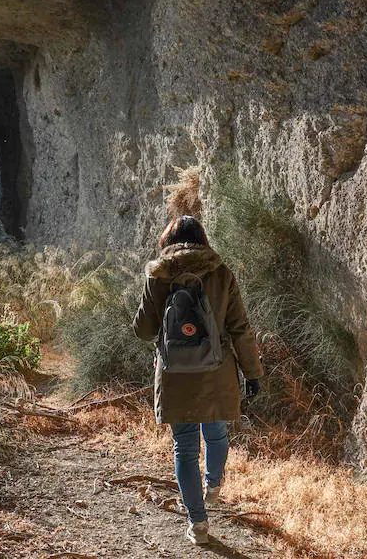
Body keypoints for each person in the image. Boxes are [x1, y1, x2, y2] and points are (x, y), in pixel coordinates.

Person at [132, 215, 263, 546]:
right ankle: (213, 486)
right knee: (216, 431)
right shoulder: (221, 272)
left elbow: (144, 331)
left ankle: (198, 525)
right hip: (216, 370)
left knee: (185, 447)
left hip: (176, 374)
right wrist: (253, 372)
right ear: (202, 238)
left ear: (168, 241)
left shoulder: (159, 273)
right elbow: (240, 328)